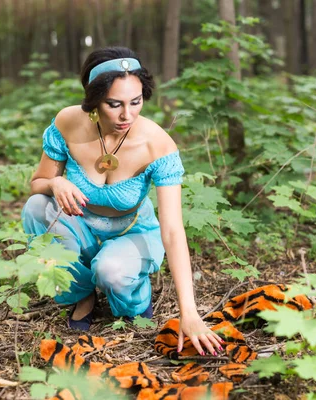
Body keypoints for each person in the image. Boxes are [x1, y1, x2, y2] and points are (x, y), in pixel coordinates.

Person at [22, 47, 224, 356]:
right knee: (36, 207)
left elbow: (172, 230)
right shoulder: (69, 122)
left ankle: (133, 296)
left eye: (136, 102)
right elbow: (37, 184)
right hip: (79, 224)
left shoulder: (157, 145)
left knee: (112, 270)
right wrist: (55, 181)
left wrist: (190, 311)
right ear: (93, 99)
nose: (126, 115)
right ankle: (82, 293)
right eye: (113, 104)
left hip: (131, 230)